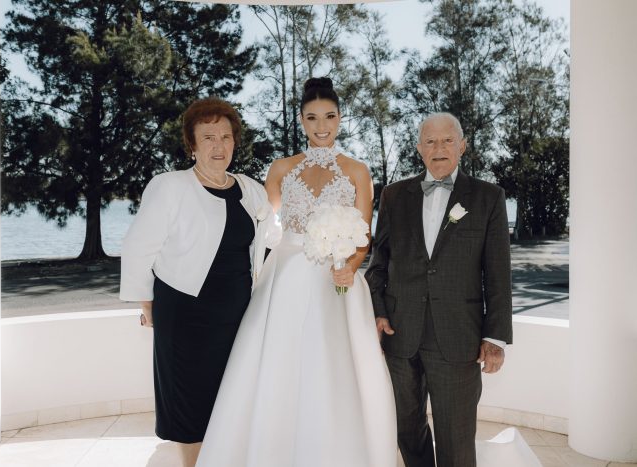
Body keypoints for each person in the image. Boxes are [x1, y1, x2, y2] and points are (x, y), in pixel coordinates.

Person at [195, 77, 398, 467]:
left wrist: (351, 266)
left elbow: (364, 236)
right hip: (285, 279)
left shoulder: (358, 171)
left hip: (337, 284)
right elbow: (263, 225)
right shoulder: (281, 169)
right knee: (277, 368)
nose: (322, 126)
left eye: (330, 116)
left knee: (333, 370)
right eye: (312, 118)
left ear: (340, 118)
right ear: (301, 121)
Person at [119, 97, 276, 467]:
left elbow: (274, 238)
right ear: (192, 144)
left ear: (235, 142)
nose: (218, 146)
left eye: (226, 137)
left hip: (238, 314)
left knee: (229, 396)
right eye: (208, 137)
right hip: (184, 312)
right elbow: (138, 248)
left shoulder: (250, 189)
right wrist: (147, 305)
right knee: (189, 401)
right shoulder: (170, 186)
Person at [365, 112, 513, 467]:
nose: (439, 148)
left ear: (462, 146)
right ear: (419, 149)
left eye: (448, 140)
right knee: (405, 429)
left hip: (458, 336)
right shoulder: (393, 195)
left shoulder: (488, 197)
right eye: (430, 141)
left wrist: (495, 337)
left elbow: (497, 273)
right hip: (400, 333)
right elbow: (378, 263)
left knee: (456, 438)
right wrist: (378, 311)